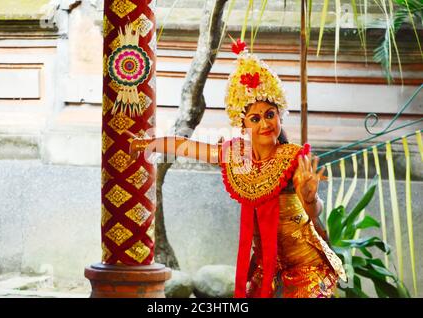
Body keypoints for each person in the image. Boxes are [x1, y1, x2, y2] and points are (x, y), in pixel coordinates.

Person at [123, 39, 346, 298]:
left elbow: (313, 212)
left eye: (270, 114)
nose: (265, 123)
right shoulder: (236, 155)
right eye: (255, 118)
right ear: (243, 126)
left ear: (279, 115)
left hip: (305, 265)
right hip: (266, 267)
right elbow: (186, 147)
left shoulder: (293, 157)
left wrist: (310, 198)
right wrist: (149, 143)